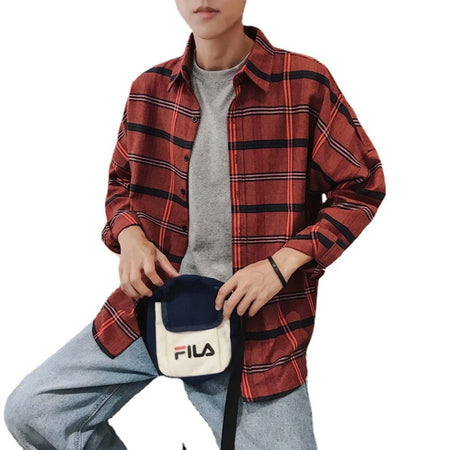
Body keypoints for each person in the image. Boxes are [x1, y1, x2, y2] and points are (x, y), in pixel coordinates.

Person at [4, 1, 386, 449]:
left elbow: (361, 186)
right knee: (35, 411)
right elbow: (120, 182)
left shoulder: (303, 84)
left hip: (256, 332)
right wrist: (130, 237)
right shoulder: (149, 90)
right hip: (154, 308)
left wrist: (280, 265)